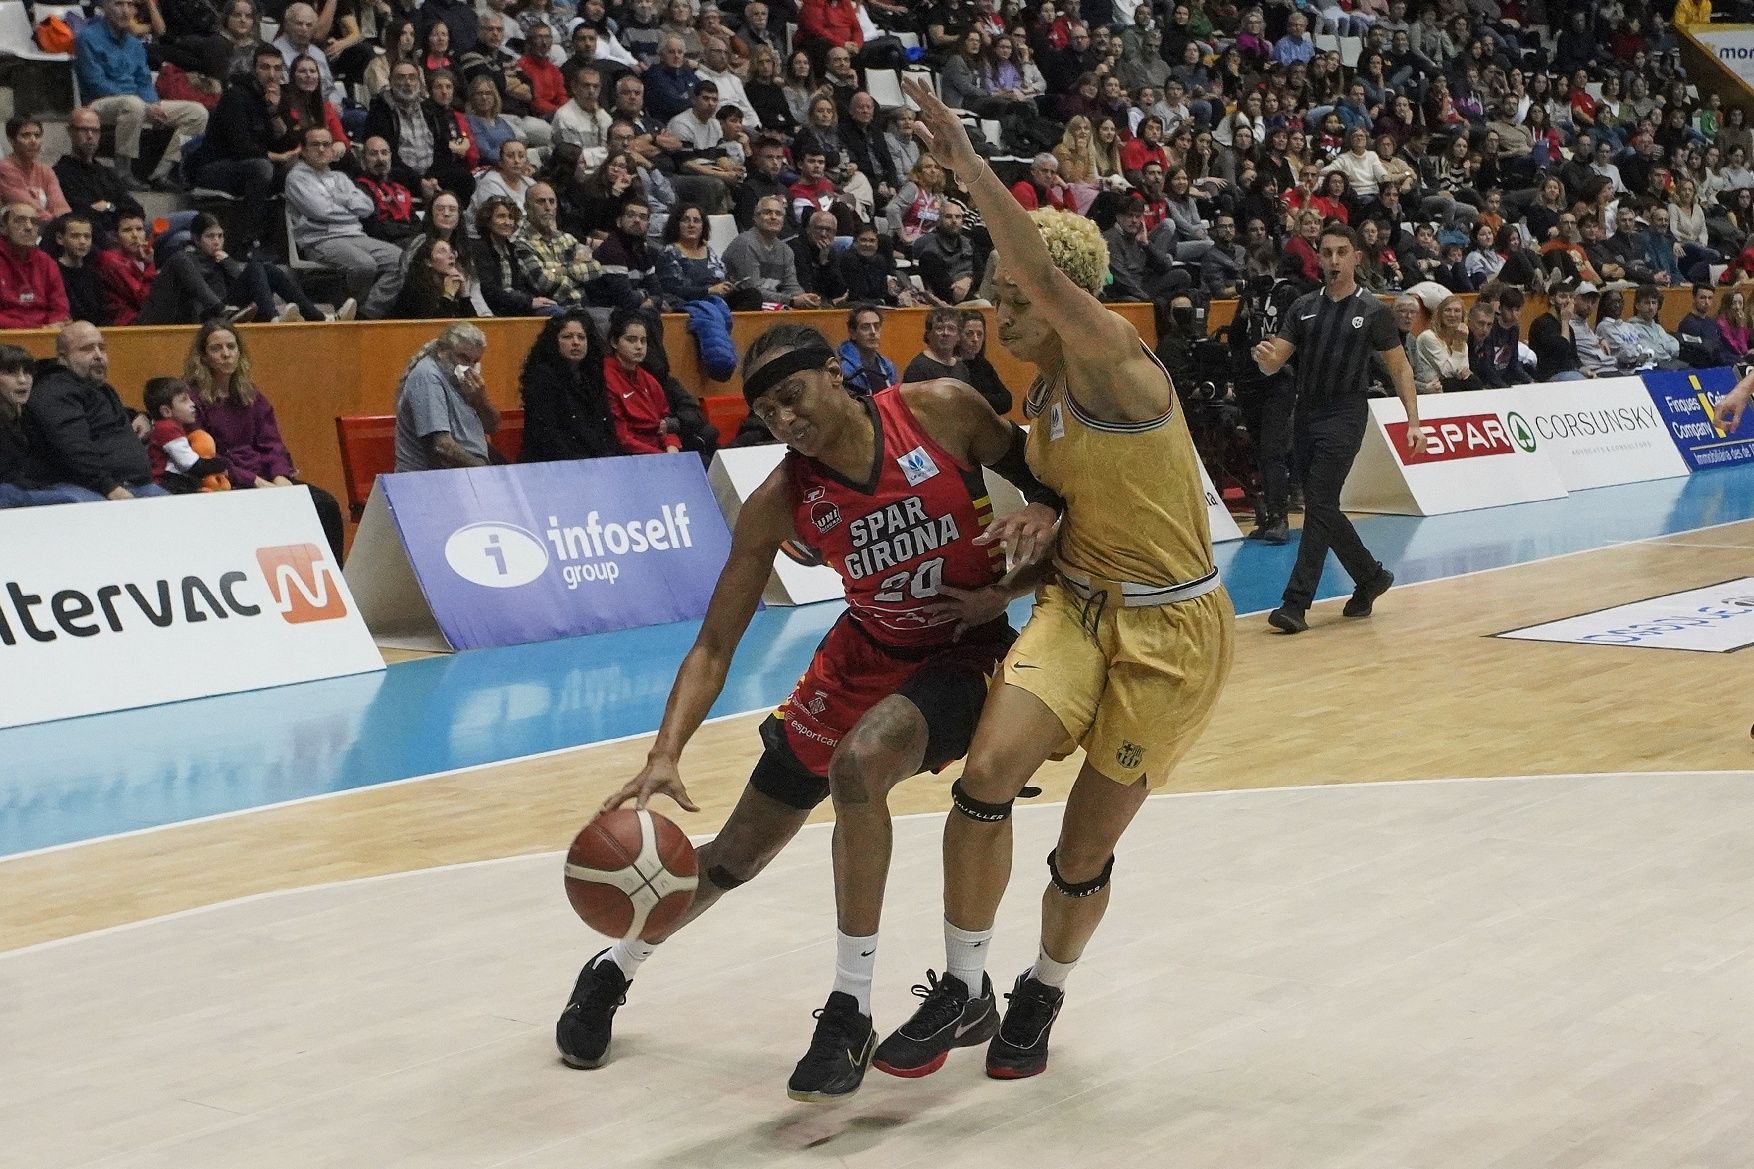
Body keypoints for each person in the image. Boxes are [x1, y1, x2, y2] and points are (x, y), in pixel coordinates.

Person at [556, 316, 1063, 1098]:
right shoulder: (780, 499)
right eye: (769, 414)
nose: (786, 421)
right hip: (859, 657)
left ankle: (848, 1008)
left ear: (837, 372)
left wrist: (1016, 576)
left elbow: (1057, 490)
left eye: (794, 396)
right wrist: (665, 751)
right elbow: (714, 645)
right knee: (734, 853)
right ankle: (615, 965)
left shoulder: (940, 409)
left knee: (860, 765)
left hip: (961, 650)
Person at [1253, 223, 1426, 634]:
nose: (1333, 260)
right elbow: (1276, 358)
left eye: (1341, 252)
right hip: (1306, 413)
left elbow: (1400, 369)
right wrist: (1265, 359)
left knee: (1320, 504)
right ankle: (1370, 576)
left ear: (1356, 258)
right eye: (1326, 252)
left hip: (1346, 415)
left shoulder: (1374, 312)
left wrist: (1414, 422)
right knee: (1323, 506)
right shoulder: (1302, 307)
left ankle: (1295, 604)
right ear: (1319, 257)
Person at [75, 0, 210, 193]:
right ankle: (123, 171)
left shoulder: (134, 44)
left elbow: (144, 80)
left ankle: (163, 172)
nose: (126, 11)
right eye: (118, 4)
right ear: (104, 6)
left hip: (137, 103)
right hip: (98, 103)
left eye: (130, 5)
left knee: (198, 112)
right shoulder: (87, 38)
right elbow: (95, 83)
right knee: (133, 104)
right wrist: (144, 105)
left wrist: (152, 104)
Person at [27, 322, 168, 500]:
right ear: (63, 357)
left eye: (102, 348)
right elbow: (73, 448)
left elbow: (102, 415)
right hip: (88, 489)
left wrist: (140, 416)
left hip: (131, 485)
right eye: (87, 349)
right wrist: (109, 487)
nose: (98, 355)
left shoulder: (99, 388)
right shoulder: (54, 390)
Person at [285, 126, 400, 318]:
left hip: (355, 236)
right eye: (315, 145)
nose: (321, 149)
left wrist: (338, 200)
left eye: (326, 144)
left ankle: (365, 313)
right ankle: (348, 313)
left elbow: (367, 208)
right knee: (364, 265)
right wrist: (349, 207)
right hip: (321, 240)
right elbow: (320, 211)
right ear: (304, 150)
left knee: (401, 260)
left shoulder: (340, 177)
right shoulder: (296, 178)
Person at [0, 344, 105, 509]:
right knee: (76, 500)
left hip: (29, 487)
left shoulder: (28, 410)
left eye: (27, 372)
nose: (22, 380)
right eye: (11, 373)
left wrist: (140, 415)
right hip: (10, 492)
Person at [394, 321, 499, 471]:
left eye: (475, 361)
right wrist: (485, 470)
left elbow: (493, 427)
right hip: (428, 479)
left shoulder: (466, 382)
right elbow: (442, 447)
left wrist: (480, 399)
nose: (469, 367)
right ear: (442, 351)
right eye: (463, 358)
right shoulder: (427, 376)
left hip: (464, 472)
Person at [519, 310, 620, 462]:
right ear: (554, 341)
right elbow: (547, 435)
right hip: (552, 464)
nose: (576, 342)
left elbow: (605, 424)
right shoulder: (542, 376)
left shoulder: (592, 375)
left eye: (581, 337)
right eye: (567, 337)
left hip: (593, 462)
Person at [602, 309, 681, 454]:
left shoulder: (648, 379)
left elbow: (664, 421)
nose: (639, 346)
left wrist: (672, 446)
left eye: (643, 341)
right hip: (633, 457)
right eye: (631, 340)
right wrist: (661, 457)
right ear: (614, 342)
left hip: (660, 453)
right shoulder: (606, 378)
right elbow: (622, 437)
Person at [724, 195, 817, 309]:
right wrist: (791, 300)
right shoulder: (745, 243)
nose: (773, 217)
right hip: (741, 304)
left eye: (778, 214)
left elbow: (791, 286)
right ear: (756, 218)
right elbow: (750, 288)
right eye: (767, 212)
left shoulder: (786, 251)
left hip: (770, 303)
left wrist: (805, 298)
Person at [0, 203, 71, 330]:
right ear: (3, 228)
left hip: (44, 334)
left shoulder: (46, 262)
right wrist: (34, 328)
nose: (29, 227)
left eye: (34, 222)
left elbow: (60, 308)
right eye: (19, 221)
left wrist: (53, 325)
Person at [0, 118, 70, 227]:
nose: (33, 141)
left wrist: (68, 224)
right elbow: (32, 210)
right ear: (11, 140)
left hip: (49, 229)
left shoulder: (45, 171)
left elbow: (60, 206)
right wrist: (60, 227)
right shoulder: (4, 168)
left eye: (37, 136)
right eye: (26, 135)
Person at [391, 237, 476, 319]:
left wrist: (464, 296)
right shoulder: (416, 288)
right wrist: (448, 295)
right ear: (428, 262)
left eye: (452, 251)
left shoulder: (454, 284)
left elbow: (474, 327)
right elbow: (434, 328)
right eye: (442, 252)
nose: (451, 256)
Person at [912, 200, 977, 305]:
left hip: (971, 289)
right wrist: (963, 285)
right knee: (984, 305)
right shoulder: (929, 250)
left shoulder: (969, 243)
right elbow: (945, 290)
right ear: (939, 221)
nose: (954, 220)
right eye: (948, 217)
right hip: (946, 302)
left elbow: (980, 272)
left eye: (958, 217)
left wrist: (969, 280)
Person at [1412, 295, 1474, 394]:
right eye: (1447, 310)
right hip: (1432, 388)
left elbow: (1463, 372)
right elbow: (1447, 372)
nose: (1452, 315)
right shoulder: (1428, 337)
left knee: (1473, 381)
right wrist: (1458, 345)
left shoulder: (1461, 338)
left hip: (1451, 385)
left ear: (1462, 316)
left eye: (1457, 311)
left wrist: (1463, 373)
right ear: (1440, 314)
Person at [1528, 282, 1588, 381]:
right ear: (1552, 300)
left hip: (1569, 373)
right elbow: (1561, 351)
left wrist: (1585, 370)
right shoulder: (1541, 323)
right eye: (1563, 296)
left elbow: (1574, 358)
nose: (1568, 301)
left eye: (1571, 297)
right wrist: (1565, 321)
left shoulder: (1569, 328)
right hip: (1549, 375)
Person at [957, 310, 1013, 415]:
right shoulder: (952, 366)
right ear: (958, 336)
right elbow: (963, 404)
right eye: (969, 334)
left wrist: (978, 398)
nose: (975, 339)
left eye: (979, 334)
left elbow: (1006, 400)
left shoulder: (983, 364)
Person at [837, 303, 898, 399]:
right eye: (865, 327)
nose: (873, 332)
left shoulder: (888, 366)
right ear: (852, 333)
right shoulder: (844, 370)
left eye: (876, 326)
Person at [902, 307, 970, 383]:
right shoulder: (917, 368)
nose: (945, 333)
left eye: (951, 328)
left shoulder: (961, 368)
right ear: (928, 334)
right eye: (939, 328)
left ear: (958, 336)